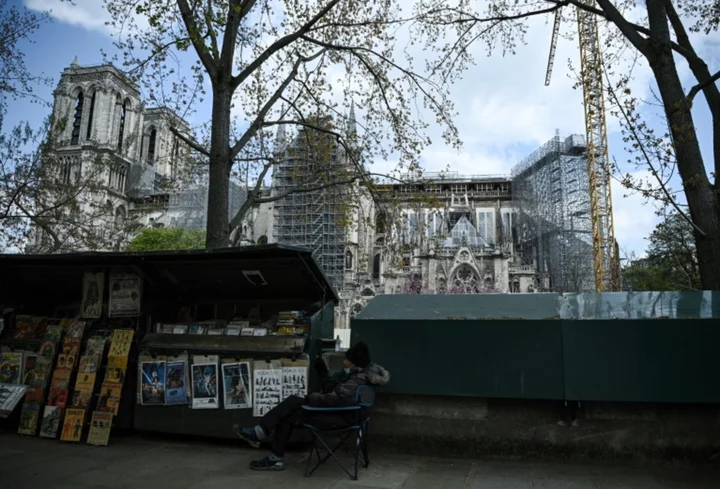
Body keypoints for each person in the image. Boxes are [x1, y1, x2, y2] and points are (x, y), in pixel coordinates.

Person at [236, 341, 390, 471]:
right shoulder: (361, 375)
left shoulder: (357, 380)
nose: (344, 362)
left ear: (355, 363)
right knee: (290, 409)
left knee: (291, 406)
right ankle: (267, 445)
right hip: (347, 415)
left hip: (341, 419)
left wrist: (311, 398)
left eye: (347, 360)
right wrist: (323, 374)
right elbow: (336, 394)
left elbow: (333, 399)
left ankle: (266, 443)